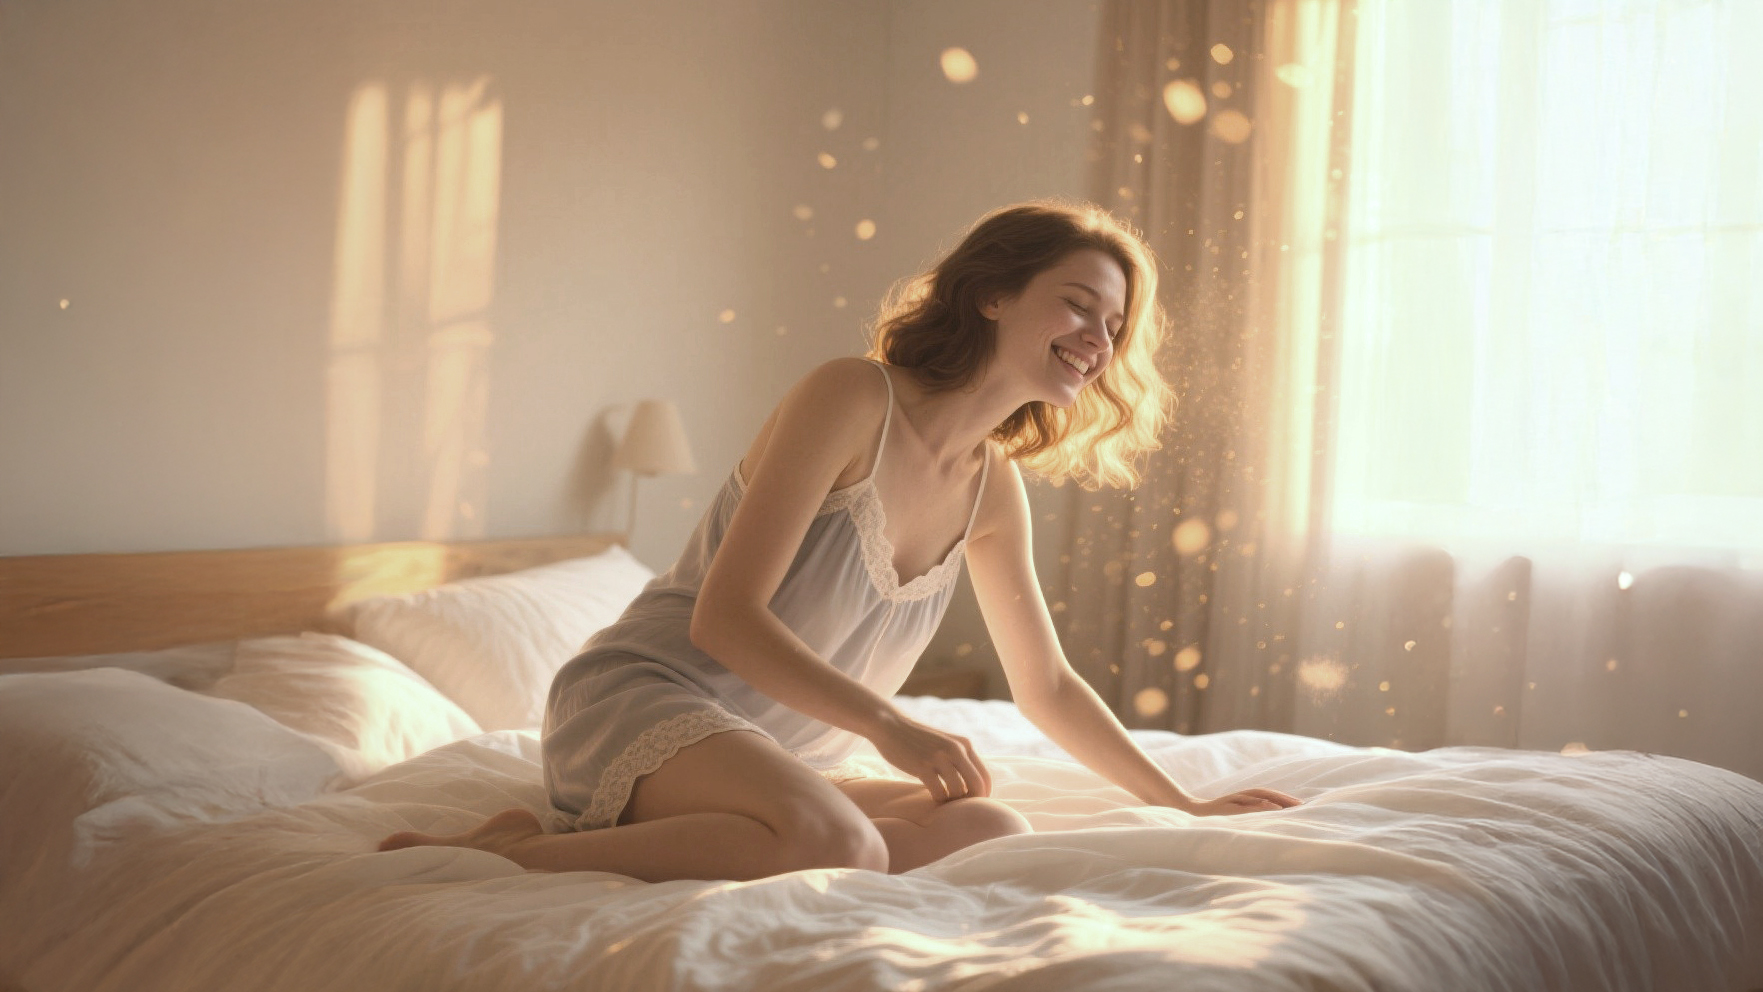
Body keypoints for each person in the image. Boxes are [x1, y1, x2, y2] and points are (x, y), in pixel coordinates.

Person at [379, 200, 1302, 881]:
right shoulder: (852, 397)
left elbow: (1045, 684)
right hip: (644, 703)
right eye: (1076, 306)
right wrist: (888, 724)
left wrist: (1177, 801)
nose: (1098, 340)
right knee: (837, 842)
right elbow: (724, 621)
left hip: (777, 754)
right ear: (990, 296)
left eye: (1112, 325)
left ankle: (686, 836)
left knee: (987, 827)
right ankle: (520, 855)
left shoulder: (993, 488)